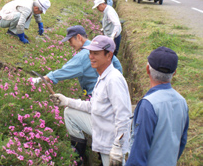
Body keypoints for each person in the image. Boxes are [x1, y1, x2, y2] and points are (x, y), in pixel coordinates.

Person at [50, 35, 132, 166]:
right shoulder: (102, 77)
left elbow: (124, 115)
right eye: (90, 53)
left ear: (109, 55)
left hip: (111, 140)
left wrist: (118, 145)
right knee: (70, 112)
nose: (91, 57)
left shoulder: (113, 80)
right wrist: (67, 101)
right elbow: (93, 106)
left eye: (96, 53)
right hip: (101, 130)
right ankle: (79, 159)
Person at [126, 47, 189, 166]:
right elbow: (182, 141)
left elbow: (138, 152)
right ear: (174, 72)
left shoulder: (148, 105)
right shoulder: (182, 102)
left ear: (147, 70)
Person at [30, 25, 123, 96]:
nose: (70, 44)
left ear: (79, 37)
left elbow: (64, 71)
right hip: (111, 90)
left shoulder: (85, 55)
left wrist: (39, 80)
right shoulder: (94, 47)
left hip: (99, 94)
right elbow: (117, 65)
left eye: (70, 41)